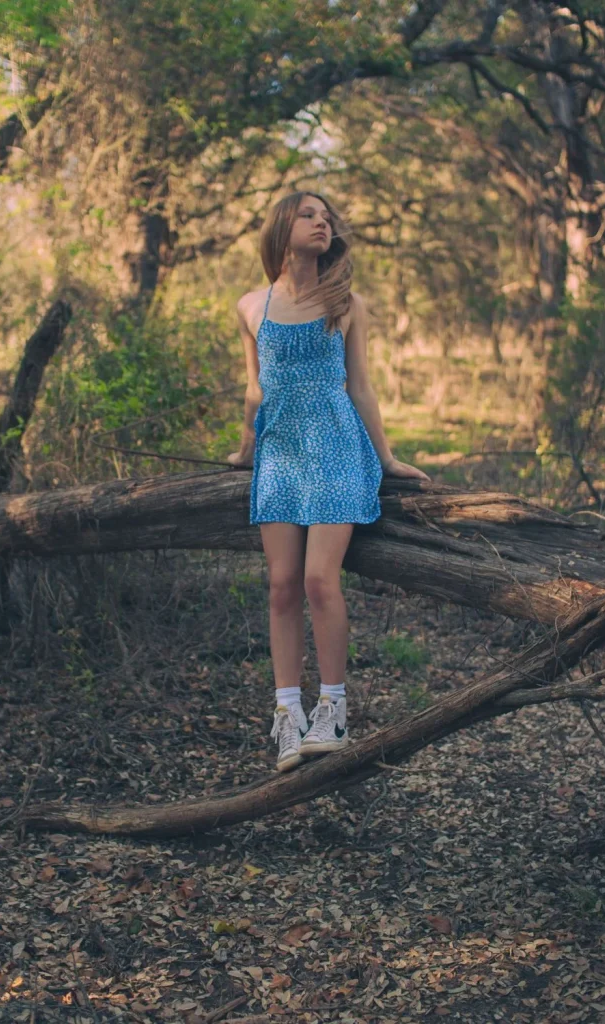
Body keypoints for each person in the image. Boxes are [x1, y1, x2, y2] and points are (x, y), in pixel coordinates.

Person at [227, 191, 430, 773]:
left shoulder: (345, 302)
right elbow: (255, 387)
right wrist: (246, 448)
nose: (322, 223)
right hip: (281, 454)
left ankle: (333, 710)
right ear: (282, 227)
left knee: (320, 580)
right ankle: (287, 713)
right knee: (282, 584)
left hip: (337, 447)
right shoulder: (250, 306)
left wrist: (387, 459)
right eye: (309, 214)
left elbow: (361, 386)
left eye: (327, 218)